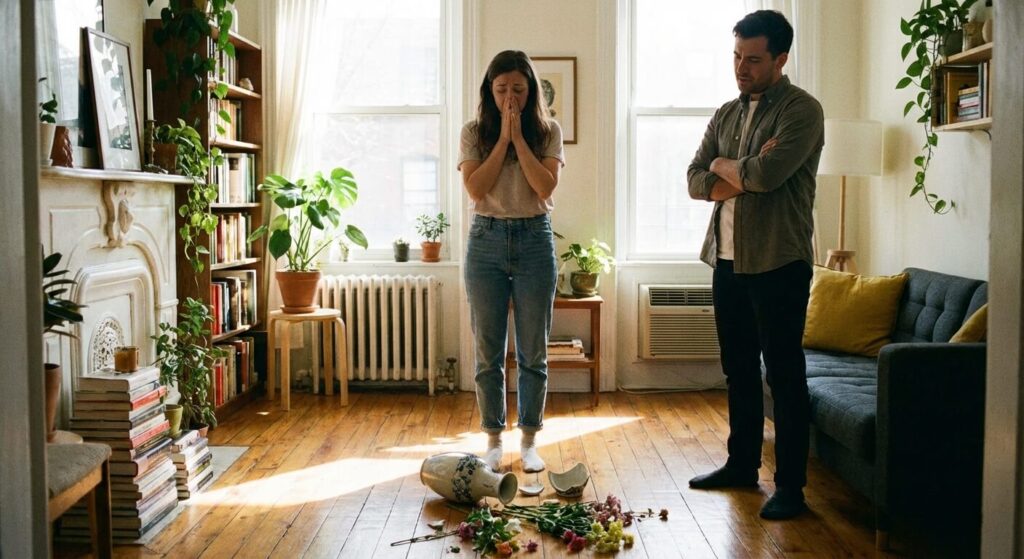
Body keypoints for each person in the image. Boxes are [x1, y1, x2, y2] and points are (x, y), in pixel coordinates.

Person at [686, 10, 824, 520]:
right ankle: (741, 465)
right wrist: (737, 171)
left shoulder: (802, 110)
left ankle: (791, 489)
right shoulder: (726, 113)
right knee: (738, 369)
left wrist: (726, 167)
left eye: (754, 59)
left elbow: (767, 175)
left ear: (781, 59)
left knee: (784, 375)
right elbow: (694, 179)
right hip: (726, 260)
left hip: (779, 262)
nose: (741, 68)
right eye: (736, 57)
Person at [458, 50, 565, 473]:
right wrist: (502, 139)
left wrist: (519, 139)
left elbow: (544, 187)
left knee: (533, 350)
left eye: (518, 89)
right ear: (489, 91)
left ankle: (530, 440)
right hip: (485, 240)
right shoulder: (473, 132)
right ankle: (493, 439)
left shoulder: (548, 131)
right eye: (501, 89)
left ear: (531, 90)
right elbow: (476, 189)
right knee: (489, 350)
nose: (510, 98)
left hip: (534, 239)